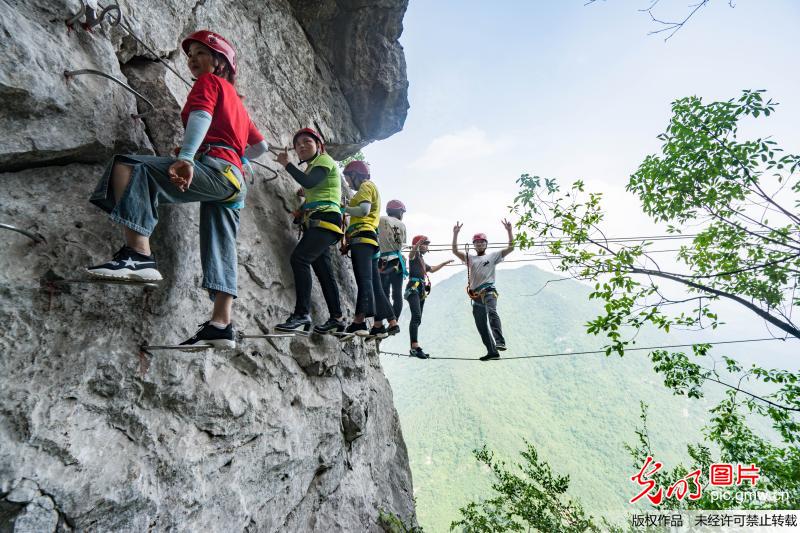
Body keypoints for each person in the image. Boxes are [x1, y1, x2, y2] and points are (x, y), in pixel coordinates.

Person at [87, 30, 267, 349]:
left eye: (202, 53)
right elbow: (261, 146)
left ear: (220, 62)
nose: (193, 59)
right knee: (221, 242)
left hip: (216, 169)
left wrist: (188, 157)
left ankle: (138, 255)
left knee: (130, 166)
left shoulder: (209, 83)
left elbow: (201, 115)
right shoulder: (238, 104)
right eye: (190, 55)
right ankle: (221, 324)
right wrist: (235, 156)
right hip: (234, 181)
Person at [273, 128, 347, 335]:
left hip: (325, 220)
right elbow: (316, 189)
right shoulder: (314, 167)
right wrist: (304, 207)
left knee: (300, 259)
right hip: (321, 220)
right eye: (297, 145)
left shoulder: (324, 160)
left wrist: (286, 163)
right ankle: (337, 318)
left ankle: (301, 314)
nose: (301, 146)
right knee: (324, 271)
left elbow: (309, 182)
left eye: (307, 142)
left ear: (319, 145)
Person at [341, 161, 400, 338]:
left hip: (363, 238)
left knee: (364, 280)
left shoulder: (366, 186)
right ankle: (385, 323)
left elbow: (363, 210)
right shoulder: (372, 188)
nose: (348, 183)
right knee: (375, 284)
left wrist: (344, 208)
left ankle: (358, 322)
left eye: (348, 178)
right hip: (370, 240)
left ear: (356, 175)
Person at [451, 220, 514, 361]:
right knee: (481, 326)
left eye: (482, 242)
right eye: (477, 243)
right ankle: (492, 352)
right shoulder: (470, 258)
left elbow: (511, 248)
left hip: (489, 291)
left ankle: (500, 341)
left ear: (486, 244)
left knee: (492, 312)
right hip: (476, 296)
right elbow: (455, 251)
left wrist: (509, 231)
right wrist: (455, 234)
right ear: (473, 245)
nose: (479, 244)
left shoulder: (493, 256)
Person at [405, 235, 452, 359]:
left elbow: (433, 269)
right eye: (424, 244)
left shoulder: (421, 260)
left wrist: (444, 263)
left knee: (418, 319)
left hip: (420, 290)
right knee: (416, 316)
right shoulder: (414, 257)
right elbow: (410, 254)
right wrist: (417, 244)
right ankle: (415, 347)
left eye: (426, 244)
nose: (426, 246)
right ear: (419, 245)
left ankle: (413, 347)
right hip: (413, 288)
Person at [378, 199, 407, 320]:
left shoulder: (381, 220)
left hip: (383, 261)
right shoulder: (402, 225)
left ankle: (389, 319)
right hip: (398, 261)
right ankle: (394, 320)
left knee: (384, 292)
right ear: (399, 211)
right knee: (397, 293)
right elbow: (403, 244)